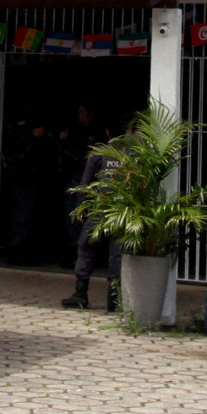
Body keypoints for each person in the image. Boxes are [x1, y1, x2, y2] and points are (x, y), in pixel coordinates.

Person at [61, 123, 125, 312]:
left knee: (86, 247)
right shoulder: (133, 154)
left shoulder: (99, 153)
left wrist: (82, 209)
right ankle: (114, 300)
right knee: (117, 255)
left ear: (107, 132)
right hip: (121, 212)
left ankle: (80, 294)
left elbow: (85, 185)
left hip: (100, 210)